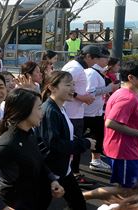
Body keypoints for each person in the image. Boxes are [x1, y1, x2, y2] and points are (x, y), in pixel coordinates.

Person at [0, 88, 65, 209]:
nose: (42, 113)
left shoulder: (30, 133)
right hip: (13, 202)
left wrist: (52, 180)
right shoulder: (8, 143)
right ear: (24, 111)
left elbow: (39, 160)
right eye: (39, 108)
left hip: (32, 200)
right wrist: (2, 206)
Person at [36, 71, 95, 209]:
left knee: (78, 203)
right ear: (52, 87)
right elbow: (54, 144)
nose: (73, 88)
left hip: (63, 168)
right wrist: (84, 143)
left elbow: (63, 136)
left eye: (73, 84)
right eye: (68, 85)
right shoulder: (50, 111)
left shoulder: (59, 107)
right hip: (51, 170)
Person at [104, 61, 138, 189]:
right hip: (124, 151)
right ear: (131, 78)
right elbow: (111, 123)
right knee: (129, 190)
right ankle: (84, 196)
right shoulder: (128, 97)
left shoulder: (127, 94)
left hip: (125, 150)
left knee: (126, 189)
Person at [61, 45, 106, 185]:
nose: (97, 61)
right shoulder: (75, 68)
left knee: (75, 145)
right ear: (87, 56)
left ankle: (71, 173)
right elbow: (61, 85)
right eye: (96, 58)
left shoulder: (79, 68)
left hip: (75, 112)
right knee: (73, 145)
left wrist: (83, 96)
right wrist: (82, 97)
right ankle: (73, 174)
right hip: (70, 113)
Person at [84, 51, 120, 173]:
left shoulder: (97, 72)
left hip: (96, 111)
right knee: (83, 138)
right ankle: (74, 166)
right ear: (98, 59)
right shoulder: (91, 73)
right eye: (106, 59)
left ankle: (96, 160)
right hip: (88, 112)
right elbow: (90, 92)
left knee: (98, 134)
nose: (107, 61)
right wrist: (110, 88)